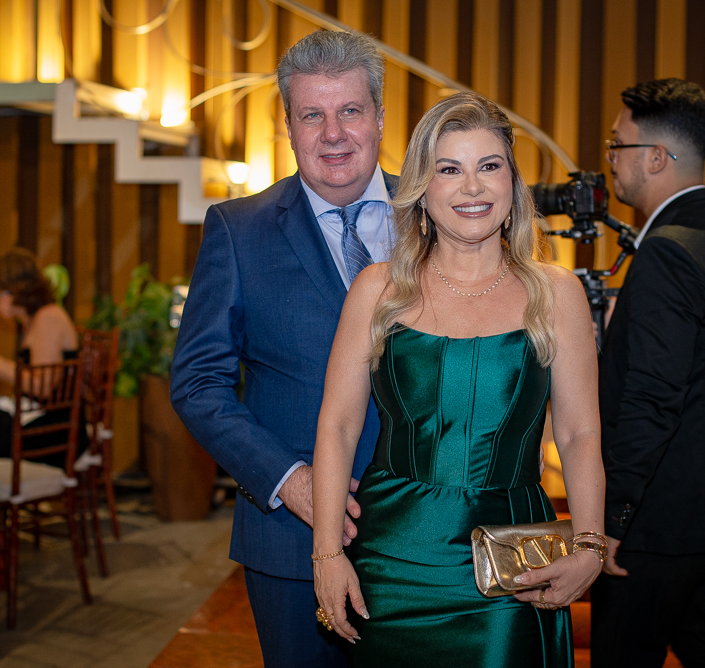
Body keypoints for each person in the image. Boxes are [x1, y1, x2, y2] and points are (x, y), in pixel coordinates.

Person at [311, 92, 606, 667]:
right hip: (388, 562)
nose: (472, 187)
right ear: (422, 189)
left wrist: (591, 545)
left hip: (508, 564)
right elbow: (338, 427)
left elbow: (578, 433)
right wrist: (327, 553)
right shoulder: (377, 290)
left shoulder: (557, 293)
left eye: (489, 166)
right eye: (449, 169)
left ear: (513, 184)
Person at [170, 31, 396, 667]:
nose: (333, 134)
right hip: (293, 542)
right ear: (289, 127)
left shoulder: (435, 215)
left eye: (350, 110)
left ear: (380, 117)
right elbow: (197, 383)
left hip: (427, 539)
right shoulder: (238, 230)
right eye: (311, 115)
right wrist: (289, 480)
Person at [591, 78, 705, 668]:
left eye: (617, 145)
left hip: (664, 524)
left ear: (655, 157)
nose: (609, 159)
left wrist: (613, 518)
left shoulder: (668, 251)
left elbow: (652, 399)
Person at [0, 248, 82, 471]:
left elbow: (42, 387)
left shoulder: (48, 317)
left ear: (18, 290)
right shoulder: (33, 318)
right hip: (44, 418)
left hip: (58, 429)